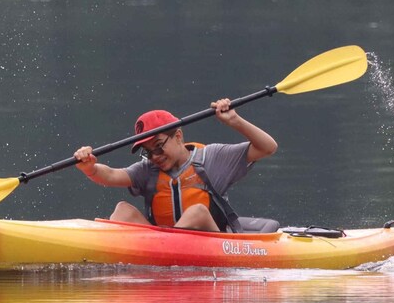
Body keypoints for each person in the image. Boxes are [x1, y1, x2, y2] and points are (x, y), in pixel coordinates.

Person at [73, 98, 277, 232]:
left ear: (178, 136)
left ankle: (163, 251)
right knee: (122, 210)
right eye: (148, 152)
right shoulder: (148, 170)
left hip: (214, 244)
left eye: (158, 147)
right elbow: (110, 175)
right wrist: (90, 167)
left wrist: (235, 121)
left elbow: (268, 147)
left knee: (197, 212)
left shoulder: (212, 158)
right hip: (159, 246)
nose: (155, 156)